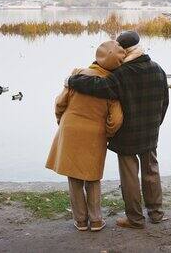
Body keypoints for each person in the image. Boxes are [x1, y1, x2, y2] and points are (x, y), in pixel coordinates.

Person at [67, 31, 169, 229]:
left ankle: (135, 219)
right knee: (152, 172)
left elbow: (97, 86)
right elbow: (165, 102)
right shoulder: (158, 69)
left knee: (130, 177)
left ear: (124, 51)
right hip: (150, 131)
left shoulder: (122, 74)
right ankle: (156, 213)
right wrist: (156, 124)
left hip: (128, 136)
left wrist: (72, 80)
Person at [46, 40, 125, 232]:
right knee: (92, 177)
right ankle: (96, 220)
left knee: (74, 176)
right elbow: (115, 120)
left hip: (70, 128)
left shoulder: (77, 74)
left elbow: (60, 103)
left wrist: (62, 122)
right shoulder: (111, 86)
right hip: (94, 132)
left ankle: (80, 221)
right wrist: (105, 133)